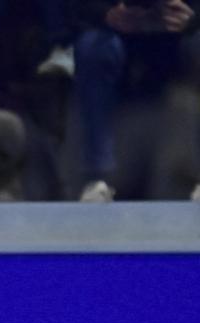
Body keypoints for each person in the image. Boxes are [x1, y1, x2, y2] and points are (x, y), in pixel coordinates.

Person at [74, 0, 197, 201]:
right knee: (92, 49)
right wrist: (106, 14)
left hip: (180, 32)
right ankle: (98, 178)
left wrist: (193, 19)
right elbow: (78, 6)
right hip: (119, 32)